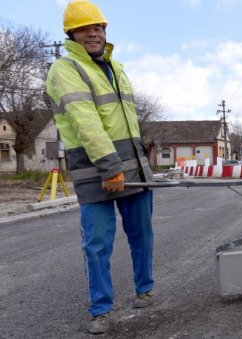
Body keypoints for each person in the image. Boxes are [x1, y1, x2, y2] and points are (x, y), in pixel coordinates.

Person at [46, 0, 156, 334]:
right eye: (85, 28)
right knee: (97, 244)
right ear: (72, 34)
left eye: (98, 27)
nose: (94, 34)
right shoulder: (65, 69)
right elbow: (86, 122)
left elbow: (127, 123)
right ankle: (100, 309)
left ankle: (145, 289)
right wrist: (110, 169)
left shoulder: (116, 68)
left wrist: (138, 164)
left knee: (142, 234)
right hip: (97, 171)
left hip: (134, 169)